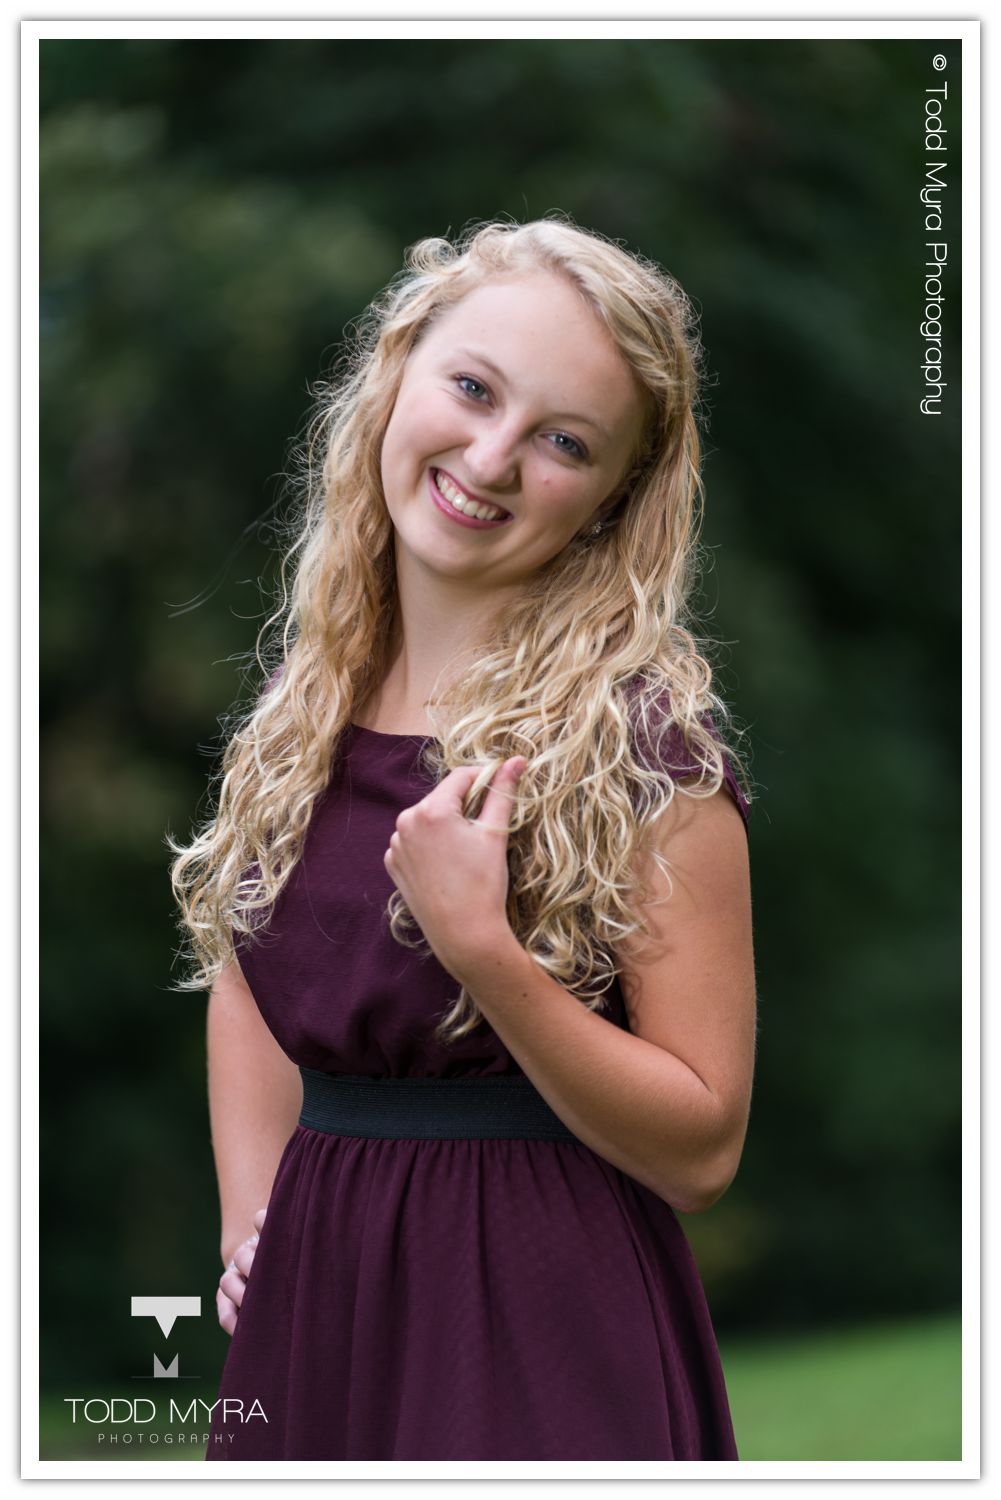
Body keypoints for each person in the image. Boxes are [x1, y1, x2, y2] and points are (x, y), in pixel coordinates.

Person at [169, 214, 757, 1462]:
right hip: (317, 1317)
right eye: (472, 388)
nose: (490, 458)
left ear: (610, 501)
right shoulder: (304, 711)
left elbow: (702, 1146)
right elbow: (256, 980)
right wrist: (250, 1225)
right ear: (397, 374)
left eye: (562, 442)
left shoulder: (642, 751)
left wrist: (485, 952)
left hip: (537, 1330)